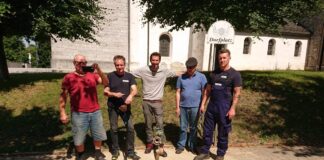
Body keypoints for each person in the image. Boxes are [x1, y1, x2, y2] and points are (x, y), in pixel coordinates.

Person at [194, 48, 242, 160]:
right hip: (212, 107)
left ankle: (220, 154)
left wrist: (233, 109)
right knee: (207, 131)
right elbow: (207, 90)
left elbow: (237, 93)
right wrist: (203, 104)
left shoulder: (235, 75)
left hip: (225, 108)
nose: (222, 60)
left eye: (224, 58)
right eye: (220, 58)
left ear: (229, 58)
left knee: (223, 132)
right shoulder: (213, 74)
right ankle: (205, 152)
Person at [59, 54, 108, 160]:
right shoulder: (69, 77)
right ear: (74, 63)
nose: (82, 64)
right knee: (79, 137)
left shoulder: (92, 74)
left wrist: (98, 70)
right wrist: (62, 111)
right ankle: (81, 154)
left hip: (95, 111)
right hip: (78, 113)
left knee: (98, 133)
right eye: (79, 62)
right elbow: (63, 95)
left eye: (84, 62)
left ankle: (98, 152)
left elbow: (106, 83)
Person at [131, 52, 179, 157]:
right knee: (148, 124)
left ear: (159, 61)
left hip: (158, 102)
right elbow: (129, 74)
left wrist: (190, 71)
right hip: (146, 102)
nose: (155, 62)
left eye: (157, 60)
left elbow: (177, 73)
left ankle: (159, 146)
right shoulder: (143, 70)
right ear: (150, 60)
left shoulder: (164, 71)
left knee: (159, 126)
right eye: (153, 60)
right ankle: (149, 144)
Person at [103, 55, 140, 160]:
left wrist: (131, 96)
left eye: (121, 65)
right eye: (117, 65)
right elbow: (106, 92)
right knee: (114, 129)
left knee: (130, 128)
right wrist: (114, 94)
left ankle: (130, 152)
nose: (120, 67)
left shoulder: (129, 76)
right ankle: (115, 151)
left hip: (125, 107)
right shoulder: (109, 76)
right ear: (114, 65)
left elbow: (134, 89)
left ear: (125, 65)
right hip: (113, 107)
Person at [175, 57, 207, 154]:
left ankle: (192, 146)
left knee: (193, 127)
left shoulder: (202, 77)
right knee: (183, 127)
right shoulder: (181, 77)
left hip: (195, 107)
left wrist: (202, 105)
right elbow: (178, 92)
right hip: (183, 106)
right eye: (188, 67)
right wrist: (177, 107)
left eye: (191, 68)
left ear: (195, 67)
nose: (189, 69)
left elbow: (205, 92)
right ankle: (181, 145)